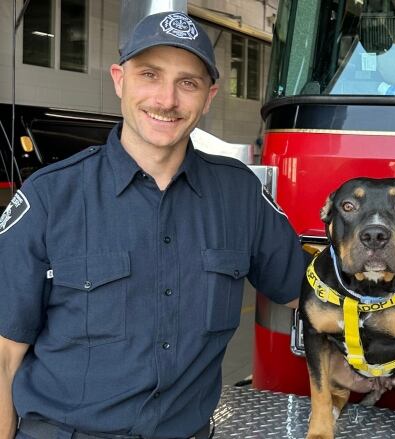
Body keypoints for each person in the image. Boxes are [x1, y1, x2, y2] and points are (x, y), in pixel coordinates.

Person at [0, 11, 306, 439]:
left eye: (188, 82)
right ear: (119, 79)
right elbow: (4, 354)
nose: (166, 100)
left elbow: (312, 295)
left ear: (210, 94)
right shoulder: (49, 198)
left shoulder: (240, 197)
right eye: (149, 74)